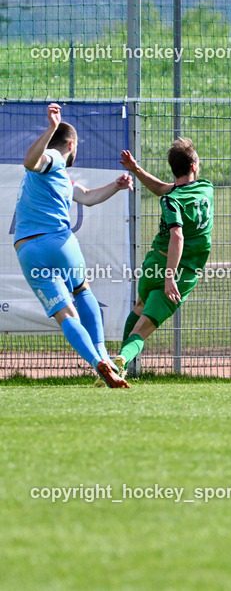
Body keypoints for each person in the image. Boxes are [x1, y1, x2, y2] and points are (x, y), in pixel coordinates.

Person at [14, 103, 133, 388]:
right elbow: (31, 161)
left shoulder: (61, 178)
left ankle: (98, 362)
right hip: (60, 242)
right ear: (71, 144)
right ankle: (103, 353)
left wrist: (115, 186)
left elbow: (89, 196)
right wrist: (52, 127)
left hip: (29, 250)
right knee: (82, 290)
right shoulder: (55, 157)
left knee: (65, 314)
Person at [111, 139, 214, 378]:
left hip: (154, 263)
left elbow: (161, 189)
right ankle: (122, 360)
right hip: (181, 272)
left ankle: (114, 366)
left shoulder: (170, 198)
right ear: (194, 167)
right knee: (143, 329)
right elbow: (177, 236)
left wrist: (136, 169)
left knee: (139, 306)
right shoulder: (207, 188)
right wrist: (170, 278)